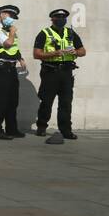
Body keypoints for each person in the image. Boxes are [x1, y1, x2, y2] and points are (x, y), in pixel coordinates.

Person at [33, 8, 85, 140]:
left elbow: (83, 51)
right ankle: (42, 126)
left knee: (66, 103)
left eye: (63, 18)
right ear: (52, 19)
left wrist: (76, 53)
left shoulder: (71, 32)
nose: (61, 20)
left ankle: (66, 130)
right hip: (50, 72)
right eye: (58, 18)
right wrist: (54, 53)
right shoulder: (44, 33)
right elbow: (36, 54)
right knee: (46, 101)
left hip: (67, 72)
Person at [0, 4, 28, 140]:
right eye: (10, 16)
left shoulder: (8, 30)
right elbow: (7, 44)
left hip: (10, 67)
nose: (12, 19)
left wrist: (20, 58)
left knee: (13, 100)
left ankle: (11, 129)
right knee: (1, 99)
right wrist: (13, 33)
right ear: (2, 14)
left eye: (14, 17)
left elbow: (13, 48)